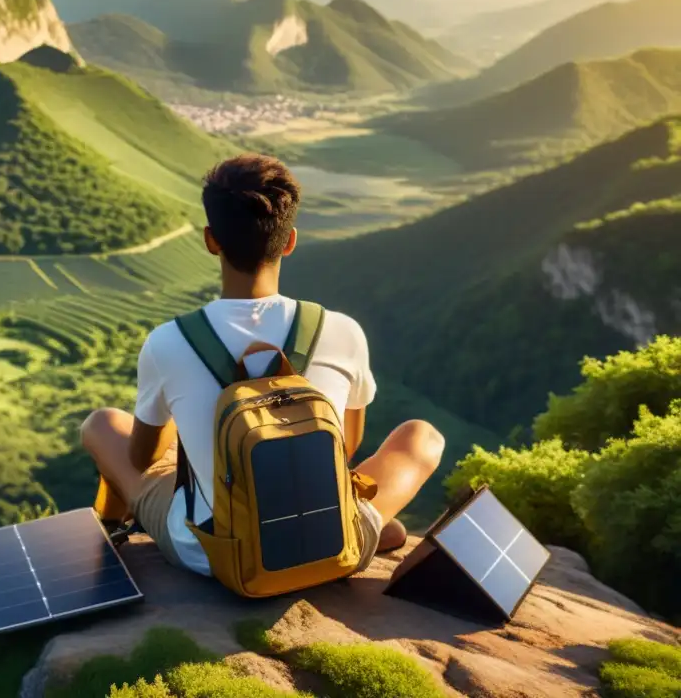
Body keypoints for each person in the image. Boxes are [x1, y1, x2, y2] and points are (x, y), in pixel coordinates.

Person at [81, 154, 445, 577]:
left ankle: (113, 527)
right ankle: (366, 522)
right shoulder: (343, 330)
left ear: (211, 240)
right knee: (422, 438)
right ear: (289, 241)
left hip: (216, 556)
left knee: (102, 424)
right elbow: (345, 446)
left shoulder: (168, 342)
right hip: (334, 544)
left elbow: (143, 458)